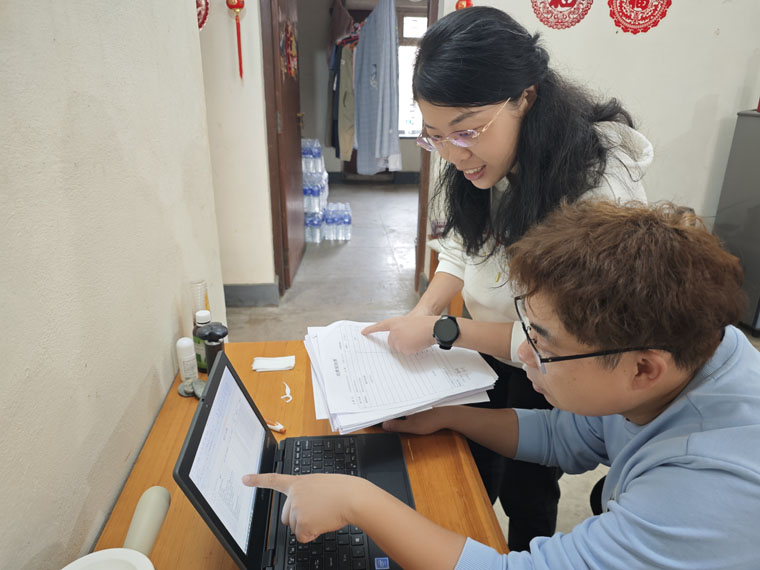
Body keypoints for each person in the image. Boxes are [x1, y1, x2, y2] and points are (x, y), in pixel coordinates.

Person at [243, 200, 760, 569]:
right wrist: (450, 416)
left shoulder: (711, 488)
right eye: (526, 329)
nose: (523, 353)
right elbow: (567, 436)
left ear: (644, 369)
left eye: (543, 343)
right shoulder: (696, 348)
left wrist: (358, 501)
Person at [360, 6, 652, 550]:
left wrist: (445, 331)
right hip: (492, 345)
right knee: (471, 465)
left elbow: (570, 337)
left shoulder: (596, 185)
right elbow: (462, 246)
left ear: (526, 97)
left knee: (529, 487)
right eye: (434, 136)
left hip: (554, 362)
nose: (453, 153)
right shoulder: (480, 156)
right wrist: (424, 311)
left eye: (466, 131)